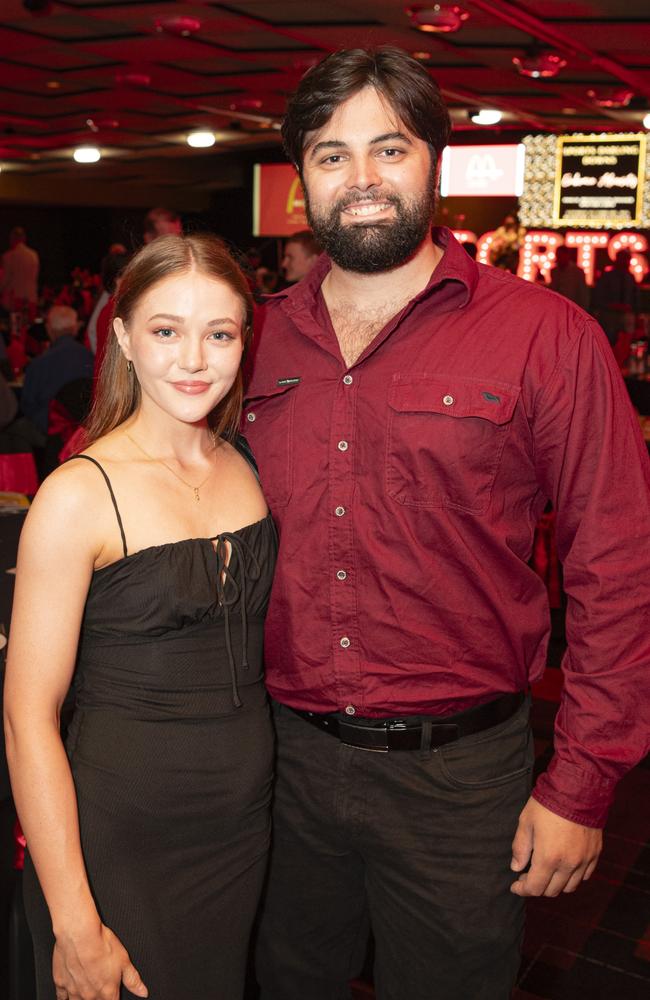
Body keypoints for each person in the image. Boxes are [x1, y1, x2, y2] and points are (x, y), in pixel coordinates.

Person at [243, 47, 650, 1000]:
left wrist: (582, 782)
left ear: (436, 162)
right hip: (282, 765)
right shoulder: (250, 339)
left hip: (462, 782)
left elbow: (620, 568)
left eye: (390, 149)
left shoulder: (547, 335)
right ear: (301, 178)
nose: (364, 178)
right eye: (333, 154)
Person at [4, 233, 276, 1000]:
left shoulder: (244, 464)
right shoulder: (78, 494)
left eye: (218, 334)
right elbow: (29, 718)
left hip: (240, 834)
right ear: (122, 335)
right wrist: (73, 921)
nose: (194, 359)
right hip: (118, 843)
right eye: (166, 331)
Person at [20, 305, 94, 435]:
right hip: (85, 432)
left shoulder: (38, 364)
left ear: (49, 330)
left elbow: (27, 406)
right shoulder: (91, 358)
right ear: (75, 328)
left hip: (48, 433)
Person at [591, 248, 639, 346]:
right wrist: (612, 306)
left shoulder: (630, 277)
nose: (625, 262)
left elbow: (635, 297)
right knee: (609, 344)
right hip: (609, 317)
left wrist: (631, 309)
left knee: (625, 345)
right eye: (623, 259)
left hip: (626, 316)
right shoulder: (607, 276)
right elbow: (598, 297)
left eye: (627, 260)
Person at [1, 227, 40, 311]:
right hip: (31, 298)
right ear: (24, 239)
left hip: (14, 299)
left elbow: (5, 279)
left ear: (12, 239)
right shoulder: (34, 255)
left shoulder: (8, 256)